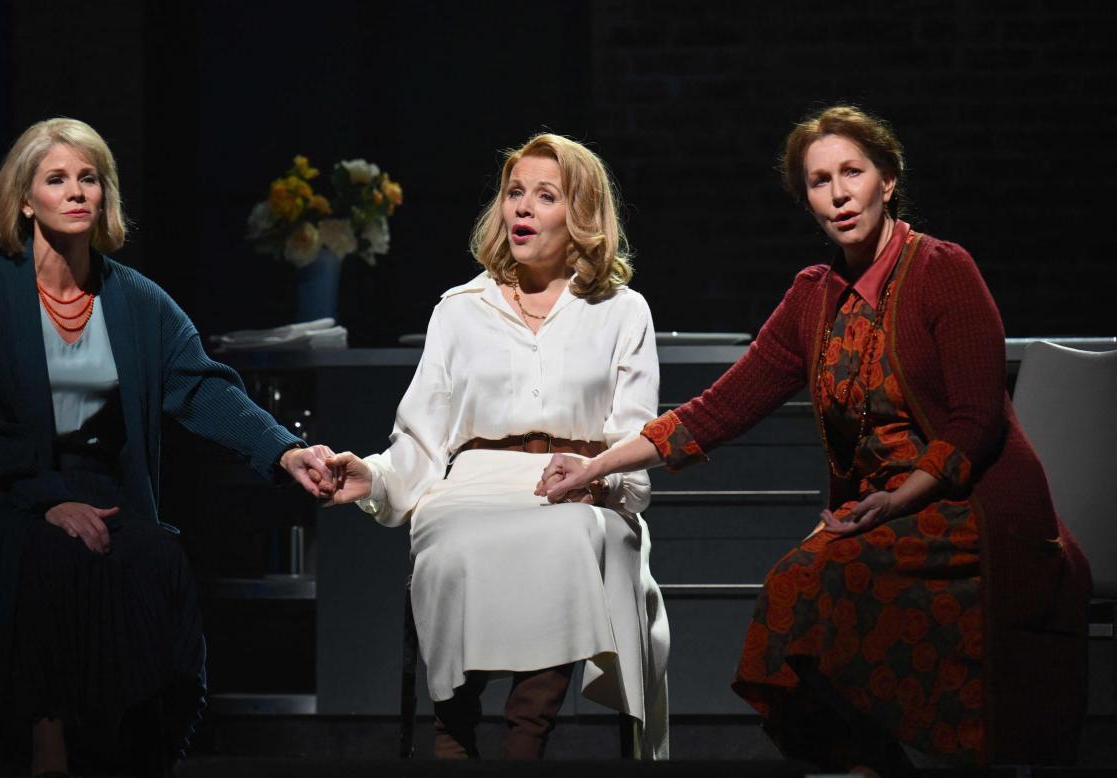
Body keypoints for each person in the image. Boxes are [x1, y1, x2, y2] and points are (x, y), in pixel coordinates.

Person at [540, 105, 1091, 776]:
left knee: (815, 578)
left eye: (851, 173)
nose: (836, 194)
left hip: (968, 509)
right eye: (818, 181)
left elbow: (975, 422)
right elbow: (717, 410)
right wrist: (591, 466)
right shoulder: (813, 297)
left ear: (886, 181)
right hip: (880, 513)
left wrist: (896, 500)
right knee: (794, 591)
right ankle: (868, 766)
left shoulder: (942, 269)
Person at [0, 117, 337, 776]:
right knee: (50, 548)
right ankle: (48, 743)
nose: (76, 192)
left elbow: (205, 387)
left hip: (106, 493)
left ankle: (148, 743)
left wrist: (284, 450)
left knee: (158, 557)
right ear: (25, 199)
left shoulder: (136, 300)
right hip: (1, 493)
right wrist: (48, 501)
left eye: (88, 178)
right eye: (56, 179)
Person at [322, 133, 669, 759]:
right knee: (453, 540)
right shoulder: (460, 310)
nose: (523, 209)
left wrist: (599, 477)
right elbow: (421, 439)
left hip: (579, 485)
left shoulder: (622, 311)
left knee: (569, 538)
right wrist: (372, 478)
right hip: (475, 481)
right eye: (515, 193)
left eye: (545, 196)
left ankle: (524, 741)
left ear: (582, 215)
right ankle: (453, 734)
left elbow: (637, 440)